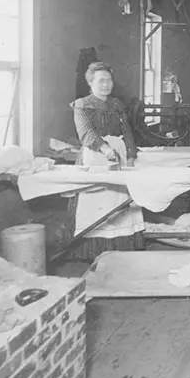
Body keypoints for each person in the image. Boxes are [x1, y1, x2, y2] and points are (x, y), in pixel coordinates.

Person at [69, 62, 143, 259]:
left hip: (118, 154)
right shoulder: (82, 105)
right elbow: (85, 132)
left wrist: (131, 153)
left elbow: (127, 131)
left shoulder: (117, 104)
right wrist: (104, 148)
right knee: (97, 201)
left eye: (109, 80)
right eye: (101, 81)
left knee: (119, 201)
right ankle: (94, 249)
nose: (105, 84)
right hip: (96, 155)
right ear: (90, 83)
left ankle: (121, 246)